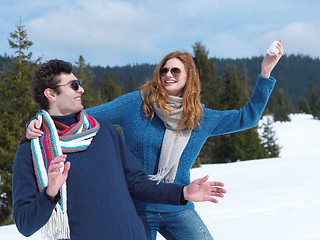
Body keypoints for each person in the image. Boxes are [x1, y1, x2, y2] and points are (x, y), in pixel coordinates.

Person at [26, 41, 283, 240]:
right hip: (136, 208)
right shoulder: (136, 103)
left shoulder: (201, 117)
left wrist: (266, 71)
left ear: (188, 77)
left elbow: (247, 117)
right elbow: (83, 118)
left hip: (178, 206)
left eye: (175, 70)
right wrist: (42, 120)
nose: (167, 74)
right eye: (164, 70)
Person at [12, 59, 227, 240]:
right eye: (74, 85)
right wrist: (50, 193)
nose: (81, 89)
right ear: (50, 93)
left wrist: (183, 192)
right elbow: (25, 224)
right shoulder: (32, 152)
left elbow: (137, 183)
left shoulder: (103, 131)